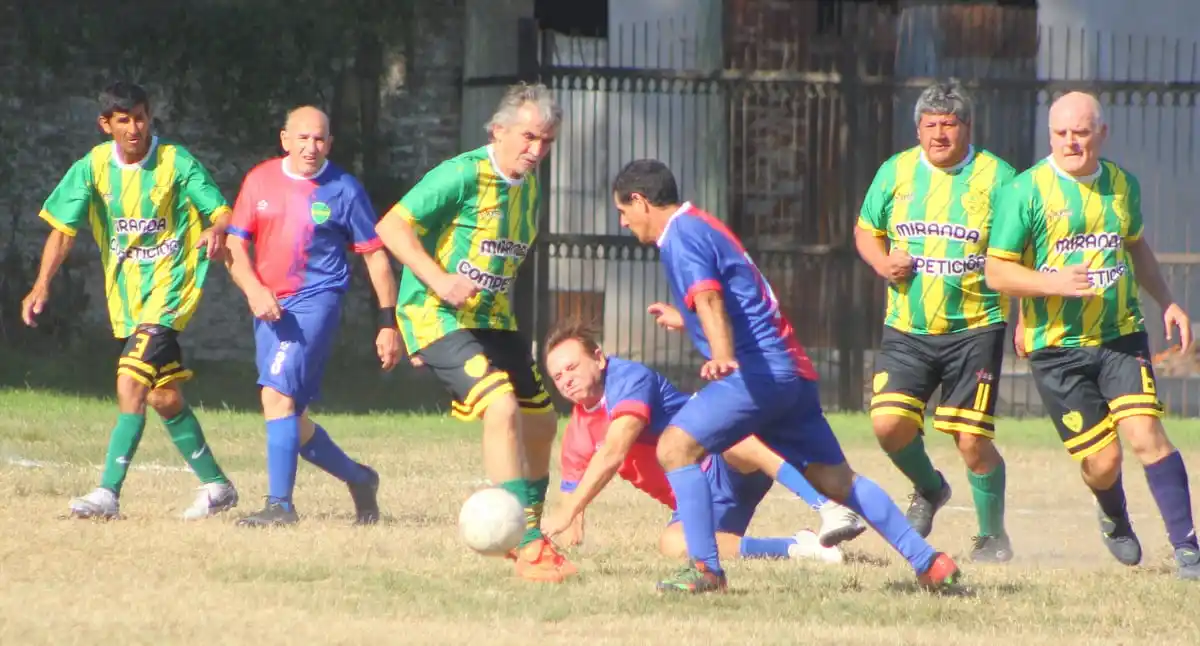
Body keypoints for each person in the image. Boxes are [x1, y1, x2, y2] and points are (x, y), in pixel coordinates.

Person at [612, 159, 960, 594]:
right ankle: (930, 561)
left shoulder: (678, 236)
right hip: (790, 372)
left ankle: (705, 569)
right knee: (838, 481)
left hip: (755, 372)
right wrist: (687, 321)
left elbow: (710, 297)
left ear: (641, 201)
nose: (624, 223)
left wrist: (720, 354)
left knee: (674, 447)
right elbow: (738, 301)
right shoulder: (703, 224)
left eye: (624, 212)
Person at [985, 91, 1199, 580]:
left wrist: (1167, 300)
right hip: (1055, 349)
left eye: (1080, 133)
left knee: (1148, 436)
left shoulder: (1122, 185)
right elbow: (997, 272)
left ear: (1101, 133)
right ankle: (1114, 512)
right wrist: (1051, 285)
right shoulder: (1026, 191)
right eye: (1060, 134)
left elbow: (1135, 244)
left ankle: (1188, 548)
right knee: (1103, 462)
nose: (1070, 143)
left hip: (1120, 335)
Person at [374, 83, 572, 582]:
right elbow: (392, 227)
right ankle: (526, 546)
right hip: (435, 315)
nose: (537, 150)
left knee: (542, 420)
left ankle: (528, 528)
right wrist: (438, 284)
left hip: (493, 320)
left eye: (546, 141)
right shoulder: (461, 174)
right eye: (528, 137)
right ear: (497, 131)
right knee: (500, 404)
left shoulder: (528, 186)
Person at [20, 81, 238, 520]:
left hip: (171, 291)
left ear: (149, 116)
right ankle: (218, 487)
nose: (134, 127)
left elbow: (222, 211)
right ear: (106, 125)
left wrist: (217, 230)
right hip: (129, 303)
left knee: (129, 382)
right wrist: (42, 282)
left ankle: (107, 495)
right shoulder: (93, 167)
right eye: (124, 120)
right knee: (163, 397)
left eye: (140, 117)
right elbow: (64, 231)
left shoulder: (175, 162)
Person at [540, 318, 864, 563]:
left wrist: (568, 511)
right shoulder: (575, 436)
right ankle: (799, 548)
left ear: (598, 357)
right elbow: (571, 512)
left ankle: (828, 506)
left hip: (725, 462)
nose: (565, 380)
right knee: (674, 544)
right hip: (699, 497)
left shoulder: (627, 379)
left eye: (571, 367)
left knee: (736, 438)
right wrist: (543, 541)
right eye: (557, 376)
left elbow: (614, 449)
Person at [854, 81, 1017, 562]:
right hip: (907, 326)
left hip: (976, 326)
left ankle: (992, 536)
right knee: (887, 425)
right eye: (930, 125)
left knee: (970, 439)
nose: (939, 134)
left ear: (967, 127)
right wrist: (883, 264)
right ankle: (929, 488)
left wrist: (1027, 319)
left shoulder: (998, 177)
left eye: (949, 125)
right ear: (918, 129)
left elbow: (1026, 253)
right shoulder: (896, 171)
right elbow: (867, 231)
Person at [224, 106, 399, 527]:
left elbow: (375, 257)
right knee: (291, 417)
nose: (310, 146)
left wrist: (388, 323)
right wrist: (254, 290)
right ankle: (359, 478)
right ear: (285, 139)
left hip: (314, 304)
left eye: (319, 139)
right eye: (302, 138)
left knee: (276, 396)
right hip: (268, 307)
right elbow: (234, 247)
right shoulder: (259, 180)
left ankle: (280, 506)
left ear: (330, 143)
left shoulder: (344, 189)